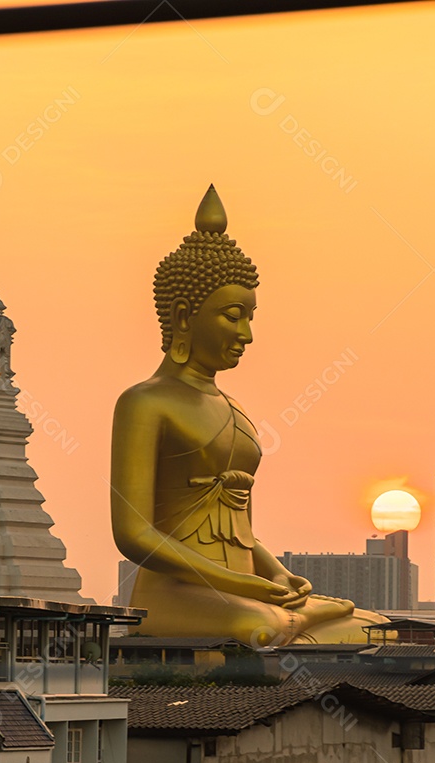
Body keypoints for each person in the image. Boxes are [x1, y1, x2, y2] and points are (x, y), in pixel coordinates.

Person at [110, 186, 389, 646]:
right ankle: (294, 620)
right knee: (255, 627)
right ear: (183, 315)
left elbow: (242, 531)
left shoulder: (233, 409)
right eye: (233, 316)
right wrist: (239, 586)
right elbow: (134, 533)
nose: (247, 334)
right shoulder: (145, 402)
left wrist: (277, 576)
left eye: (250, 317)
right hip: (177, 594)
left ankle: (296, 617)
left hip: (249, 592)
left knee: (380, 629)